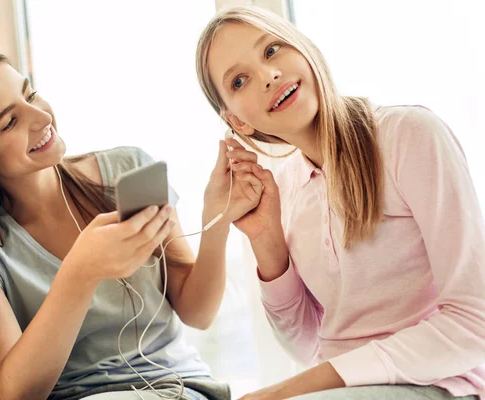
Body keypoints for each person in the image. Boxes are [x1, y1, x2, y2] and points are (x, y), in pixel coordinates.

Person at [0, 46, 264, 400]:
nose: (41, 118)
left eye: (32, 94)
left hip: (182, 389)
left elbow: (197, 313)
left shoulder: (126, 171)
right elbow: (17, 391)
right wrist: (80, 273)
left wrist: (217, 220)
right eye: (10, 122)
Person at [195, 5, 485, 400]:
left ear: (304, 48)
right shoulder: (286, 190)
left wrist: (291, 389)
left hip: (442, 383)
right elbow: (306, 344)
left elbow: (475, 323)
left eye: (272, 50)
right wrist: (268, 242)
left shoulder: (409, 136)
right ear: (238, 123)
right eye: (241, 80)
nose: (268, 76)